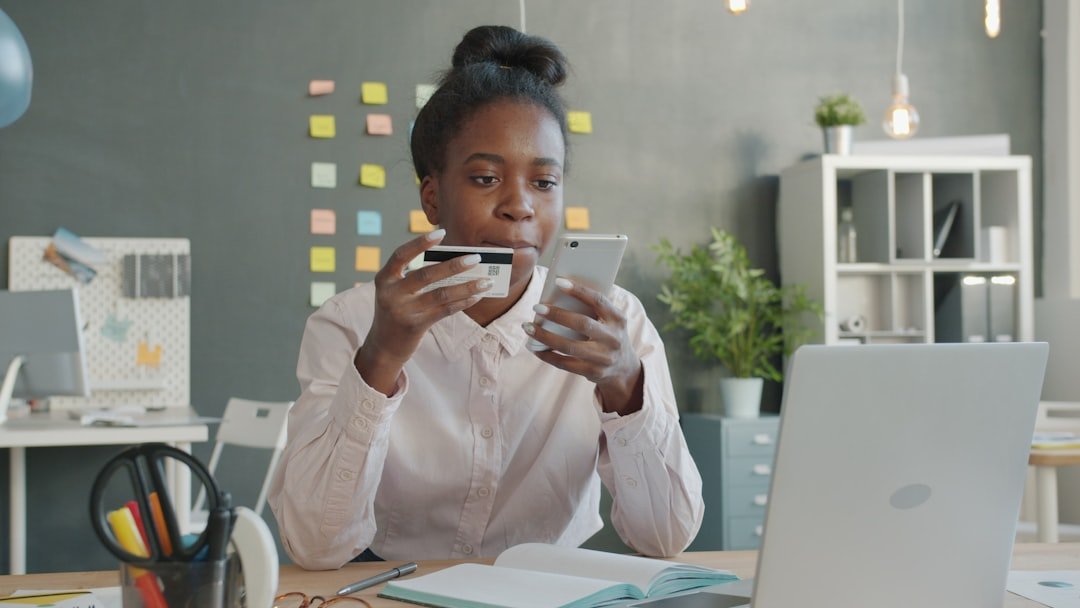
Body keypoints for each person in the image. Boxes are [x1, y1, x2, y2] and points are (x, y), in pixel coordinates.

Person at [268, 24, 703, 571]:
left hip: (551, 595)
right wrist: (381, 356)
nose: (519, 206)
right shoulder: (349, 323)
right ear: (432, 196)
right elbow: (314, 546)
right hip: (392, 591)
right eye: (484, 178)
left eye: (544, 183)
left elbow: (667, 539)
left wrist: (624, 384)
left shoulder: (613, 322)